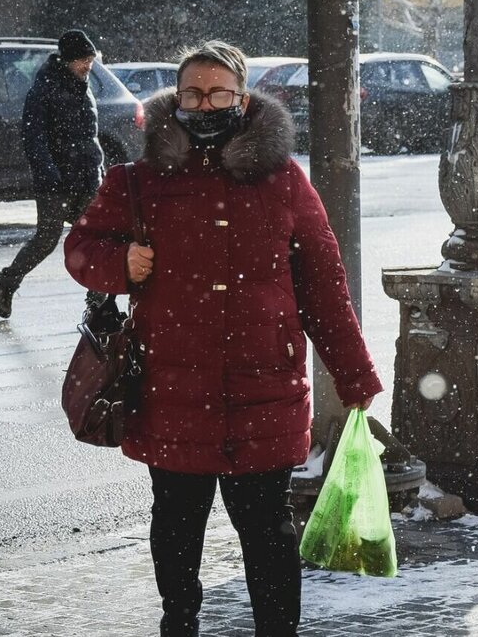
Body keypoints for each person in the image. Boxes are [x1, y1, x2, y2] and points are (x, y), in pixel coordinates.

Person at [64, 40, 382, 637]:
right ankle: (178, 624)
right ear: (175, 98)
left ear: (242, 99)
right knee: (177, 528)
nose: (203, 104)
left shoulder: (284, 180)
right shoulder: (140, 180)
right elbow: (80, 247)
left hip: (265, 387)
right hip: (171, 390)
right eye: (191, 93)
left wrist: (355, 372)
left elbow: (322, 284)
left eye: (217, 93)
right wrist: (120, 263)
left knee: (267, 532)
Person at [0, 29, 104, 318]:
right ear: (66, 61)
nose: (87, 66)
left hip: (86, 178)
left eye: (90, 60)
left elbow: (90, 136)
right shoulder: (44, 90)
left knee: (96, 239)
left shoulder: (84, 87)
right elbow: (34, 139)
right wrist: (49, 174)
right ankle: (7, 281)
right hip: (55, 181)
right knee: (46, 239)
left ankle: (99, 301)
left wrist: (98, 169)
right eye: (82, 60)